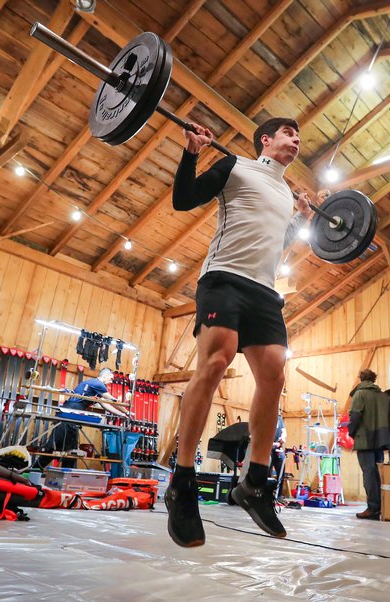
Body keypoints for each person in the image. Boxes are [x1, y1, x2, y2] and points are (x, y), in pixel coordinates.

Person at [164, 117, 318, 547]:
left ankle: (254, 479)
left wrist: (301, 218)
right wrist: (191, 152)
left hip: (264, 291)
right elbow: (184, 199)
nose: (296, 140)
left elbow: (277, 240)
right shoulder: (235, 165)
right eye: (289, 133)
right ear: (266, 140)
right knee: (216, 360)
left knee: (274, 372)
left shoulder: (286, 193)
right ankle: (182, 480)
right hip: (224, 279)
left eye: (298, 136)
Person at [37, 367, 128, 469]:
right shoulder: (98, 384)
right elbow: (112, 401)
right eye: (110, 378)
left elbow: (105, 404)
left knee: (68, 448)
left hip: (74, 413)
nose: (111, 381)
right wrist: (126, 411)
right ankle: (37, 469)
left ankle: (64, 474)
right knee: (58, 444)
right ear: (104, 376)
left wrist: (121, 414)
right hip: (70, 412)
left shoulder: (95, 387)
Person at [348, 369, 390, 520]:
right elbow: (389, 419)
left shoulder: (360, 394)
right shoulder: (384, 396)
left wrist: (351, 432)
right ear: (373, 379)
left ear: (361, 379)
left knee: (369, 475)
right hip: (380, 440)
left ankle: (372, 509)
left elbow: (355, 415)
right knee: (378, 474)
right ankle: (380, 507)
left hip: (365, 439)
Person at [270, 409, 287, 480]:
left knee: (281, 473)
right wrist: (273, 444)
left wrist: (283, 438)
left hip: (278, 449)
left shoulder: (279, 419)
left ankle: (278, 490)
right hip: (267, 450)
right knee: (266, 472)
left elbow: (284, 431)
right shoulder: (265, 418)